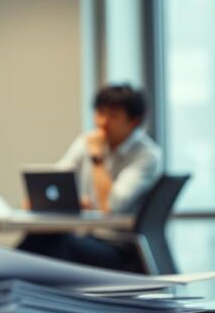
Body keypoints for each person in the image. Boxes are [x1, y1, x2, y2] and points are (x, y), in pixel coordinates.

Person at [18, 84, 162, 270]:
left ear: (134, 120)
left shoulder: (147, 155)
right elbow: (57, 179)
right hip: (86, 236)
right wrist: (41, 202)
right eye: (100, 113)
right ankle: (3, 281)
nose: (103, 122)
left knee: (59, 245)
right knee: (39, 236)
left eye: (113, 116)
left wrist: (97, 160)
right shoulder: (87, 142)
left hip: (121, 247)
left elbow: (111, 206)